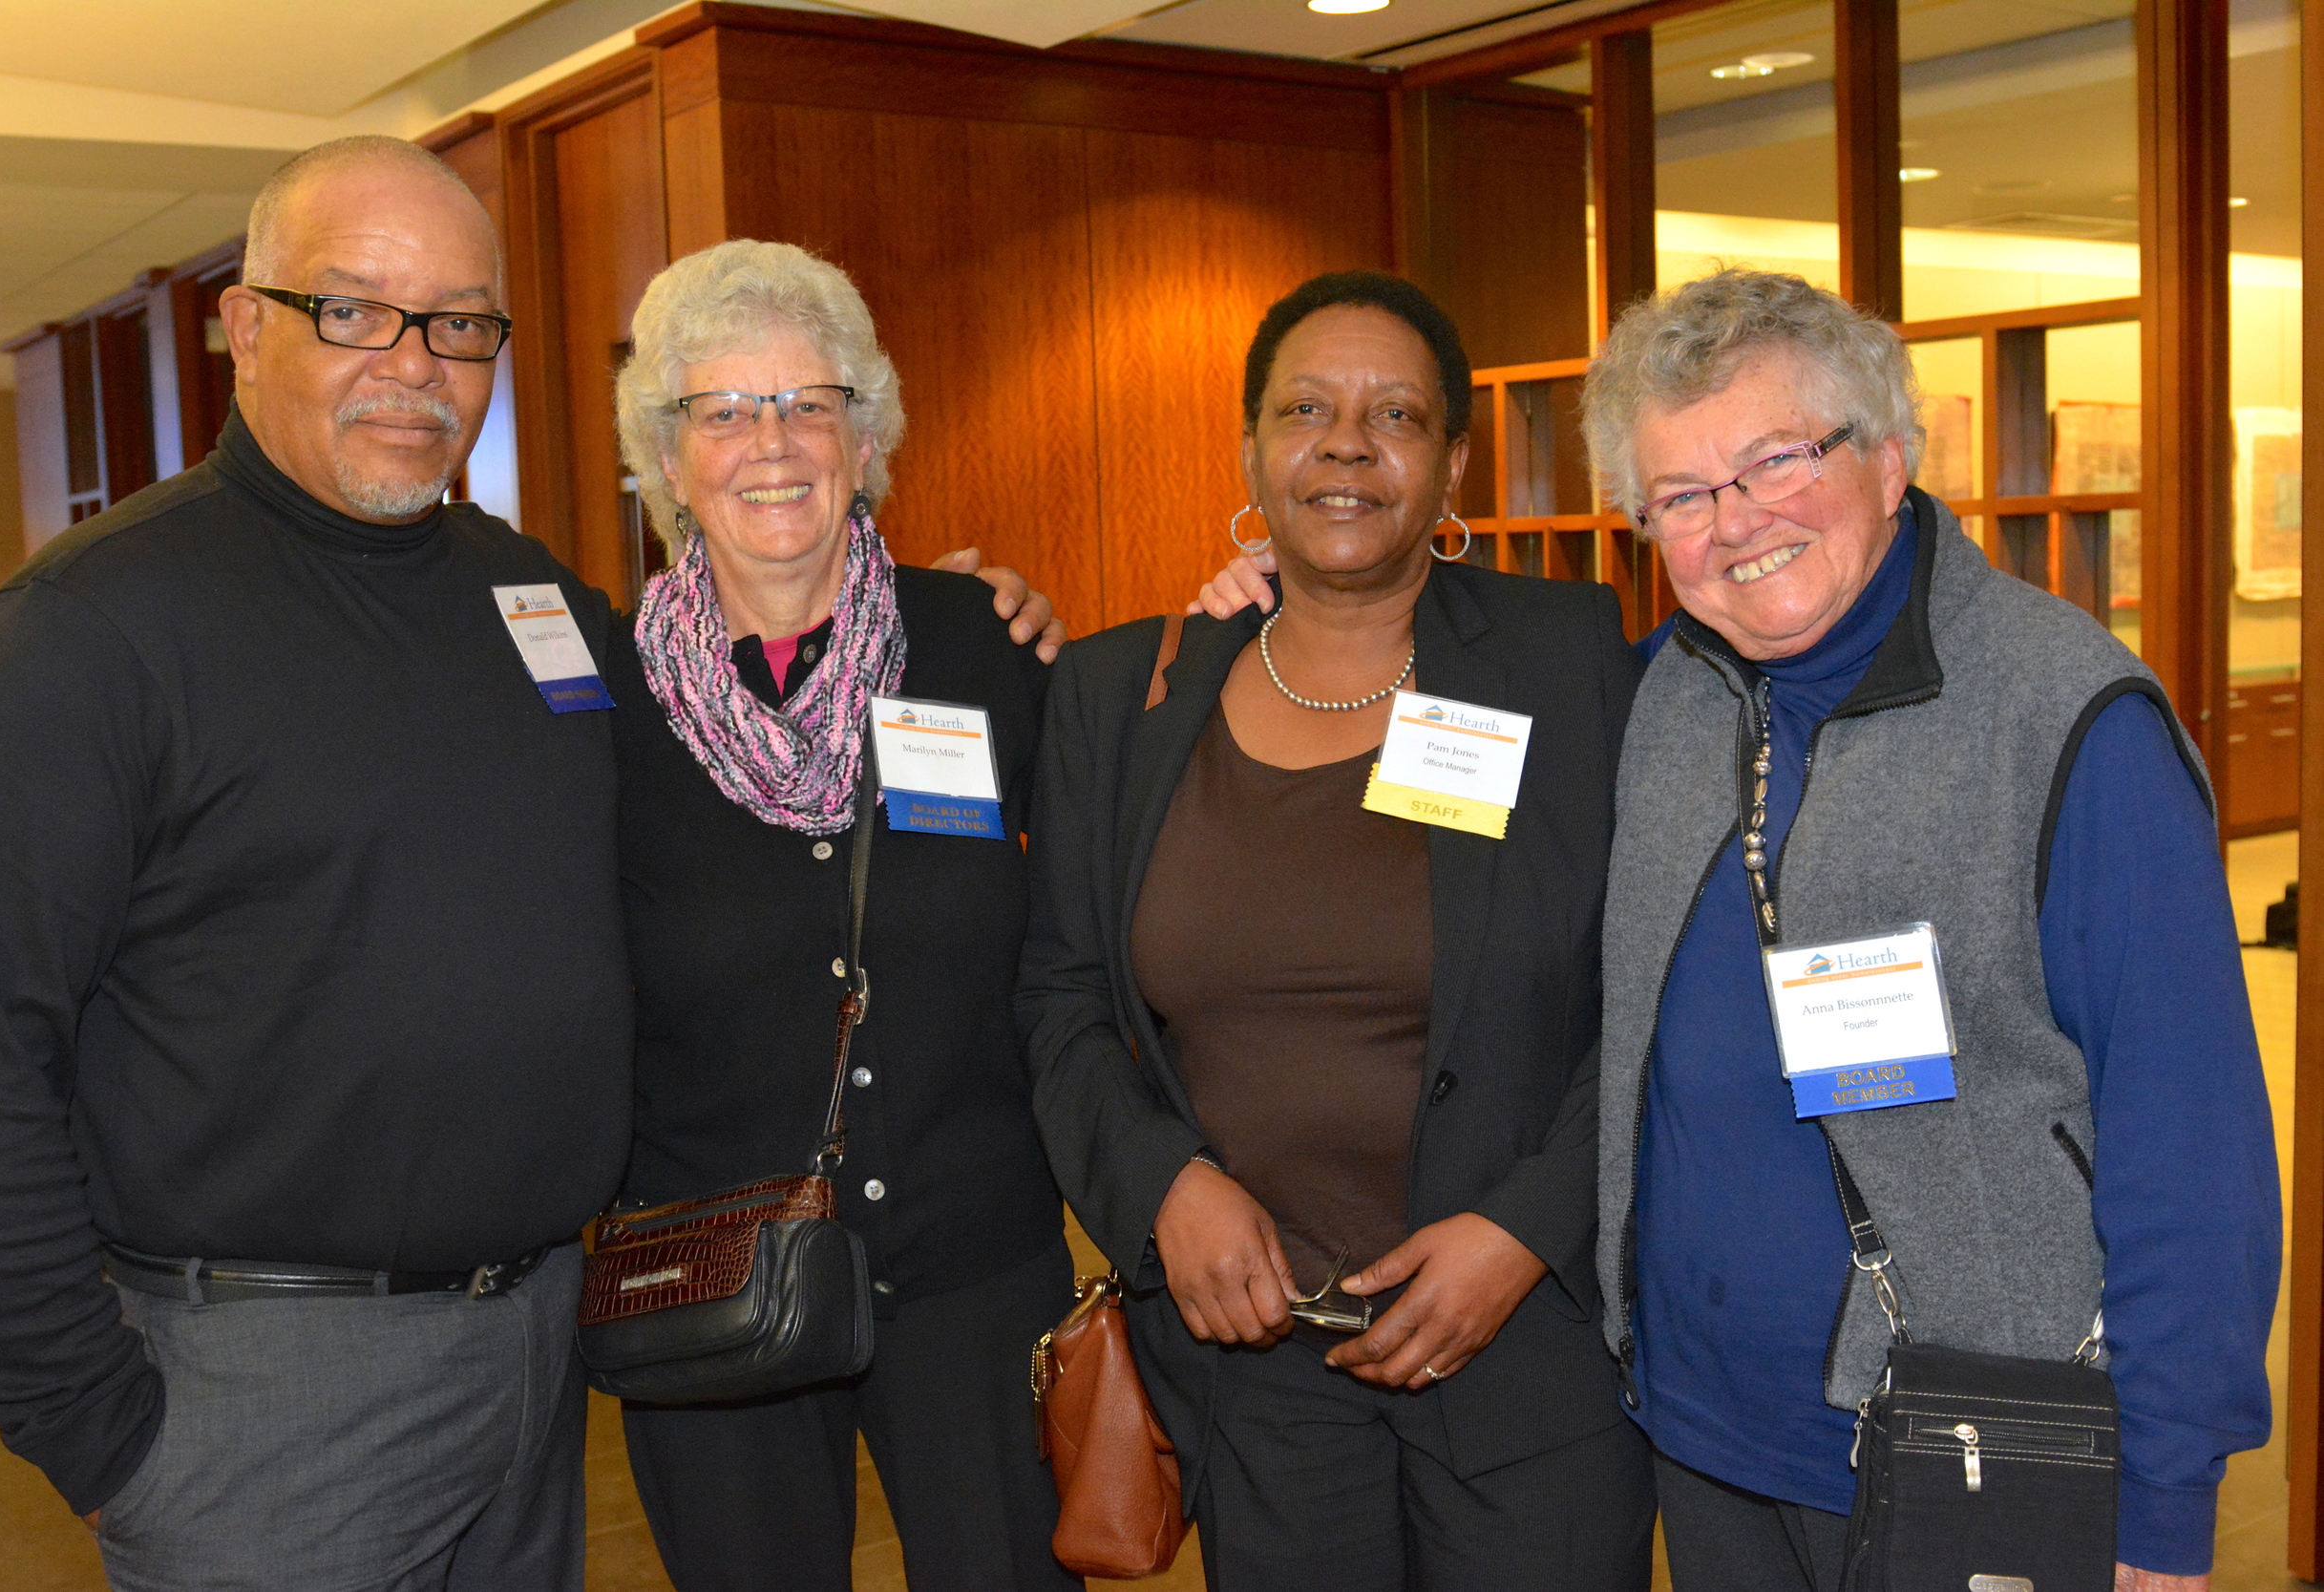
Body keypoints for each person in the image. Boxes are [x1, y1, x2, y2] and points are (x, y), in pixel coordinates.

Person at [0, 137, 1059, 1592]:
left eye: (460, 323)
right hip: (270, 1379)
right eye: (353, 309)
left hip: (540, 1348)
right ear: (246, 327)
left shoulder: (532, 607)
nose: (413, 362)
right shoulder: (90, 633)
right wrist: (91, 1425)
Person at [1198, 265, 2280, 1591]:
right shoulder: (1664, 693)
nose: (1737, 525)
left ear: (1888, 455)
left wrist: (2163, 1502)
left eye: (1777, 461)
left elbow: (2194, 1147)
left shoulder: (2068, 723)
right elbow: (1416, 695)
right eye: (1684, 496)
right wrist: (1270, 601)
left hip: (1970, 1443)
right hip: (1703, 1444)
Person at [1019, 270, 1655, 1592]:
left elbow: (1652, 990)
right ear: (1252, 448)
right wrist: (1160, 1192)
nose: (1347, 444)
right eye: (1306, 408)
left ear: (1454, 463)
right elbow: (1062, 1000)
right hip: (1259, 1379)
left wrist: (1526, 1232)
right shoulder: (1119, 699)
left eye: (1397, 416)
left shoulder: (1569, 661)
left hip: (1525, 1359)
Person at [603, 239, 1080, 1592]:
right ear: (668, 453)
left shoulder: (986, 645)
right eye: (725, 409)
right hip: (712, 1273)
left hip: (978, 1271)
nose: (772, 441)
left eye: (810, 403)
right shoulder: (600, 704)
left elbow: (1099, 898)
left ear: (866, 440)